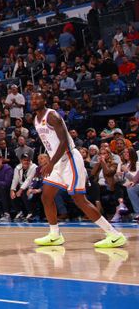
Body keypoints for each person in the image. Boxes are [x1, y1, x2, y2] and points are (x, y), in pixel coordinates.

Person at [31, 91, 126, 248]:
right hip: (57, 162)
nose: (34, 101)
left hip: (69, 159)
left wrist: (51, 163)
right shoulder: (36, 119)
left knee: (79, 199)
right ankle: (55, 234)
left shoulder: (52, 116)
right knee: (46, 196)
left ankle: (114, 235)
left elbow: (64, 143)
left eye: (37, 98)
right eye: (32, 99)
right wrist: (52, 162)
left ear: (44, 100)